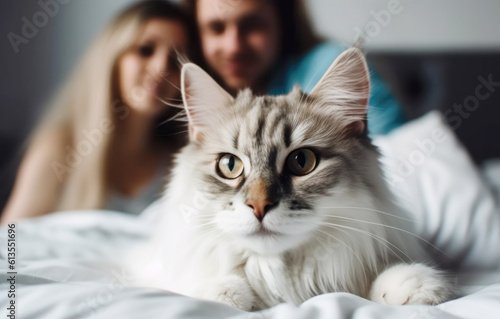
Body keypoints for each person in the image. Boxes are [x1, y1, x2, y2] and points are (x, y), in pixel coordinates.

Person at [0, 1, 192, 224]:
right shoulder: (58, 149)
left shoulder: (177, 160)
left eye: (175, 59)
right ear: (112, 58)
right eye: (145, 50)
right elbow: (9, 238)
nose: (160, 68)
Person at [182, 0, 406, 135]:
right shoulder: (196, 92)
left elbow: (391, 149)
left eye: (252, 26)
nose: (233, 47)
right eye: (216, 28)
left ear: (283, 23)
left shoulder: (327, 65)